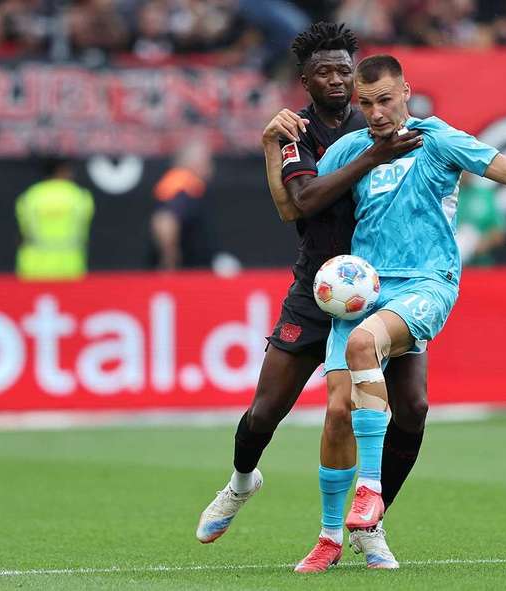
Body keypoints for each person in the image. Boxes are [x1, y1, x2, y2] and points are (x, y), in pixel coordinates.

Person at [290, 53, 506, 569]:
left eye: (385, 100)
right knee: (338, 413)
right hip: (364, 288)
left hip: (426, 282)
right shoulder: (350, 148)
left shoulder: (437, 139)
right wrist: (272, 148)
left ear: (406, 92)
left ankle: (369, 497)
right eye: (366, 103)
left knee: (365, 344)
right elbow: (299, 202)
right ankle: (329, 538)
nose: (376, 112)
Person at [195, 23, 424, 571]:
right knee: (266, 410)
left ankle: (371, 523)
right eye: (324, 72)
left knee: (412, 407)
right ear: (305, 80)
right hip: (319, 288)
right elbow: (300, 201)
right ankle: (241, 482)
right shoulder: (295, 132)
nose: (337, 80)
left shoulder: (379, 120)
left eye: (345, 70)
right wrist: (368, 158)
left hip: (385, 286)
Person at [15, 157, 94, 281]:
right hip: (70, 265)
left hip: (33, 267)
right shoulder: (80, 197)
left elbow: (23, 233)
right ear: (61, 170)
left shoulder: (30, 197)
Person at [148, 138, 214, 270]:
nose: (211, 168)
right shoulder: (181, 184)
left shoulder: (188, 184)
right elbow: (164, 219)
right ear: (195, 163)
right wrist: (169, 258)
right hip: (183, 273)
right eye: (207, 162)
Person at [455, 172, 506, 267]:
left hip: (480, 266)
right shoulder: (442, 196)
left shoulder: (485, 195)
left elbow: (500, 229)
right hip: (446, 265)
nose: (465, 172)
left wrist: (480, 246)